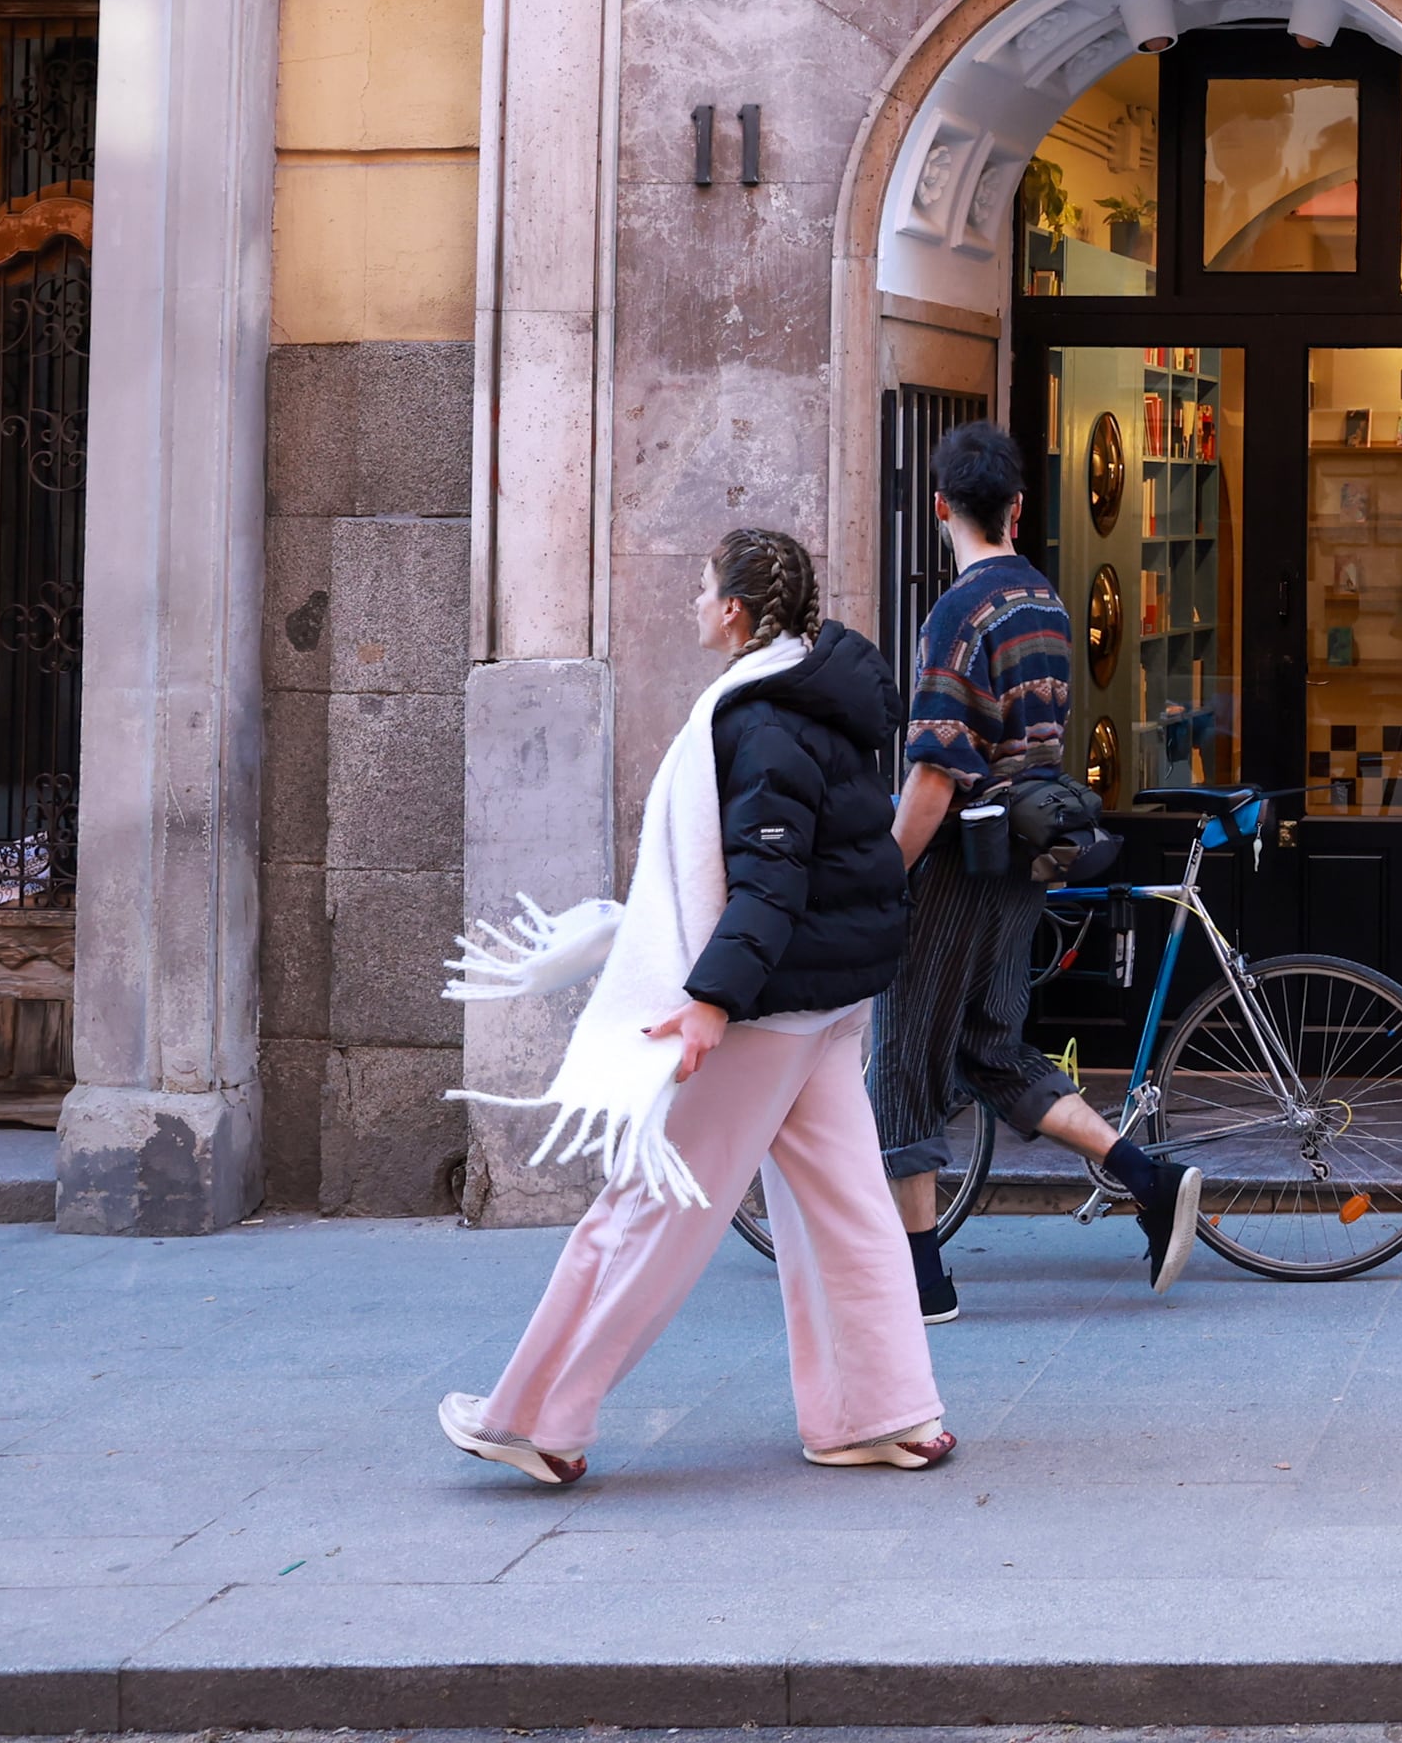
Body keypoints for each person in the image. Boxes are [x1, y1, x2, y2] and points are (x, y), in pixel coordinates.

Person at [438, 526, 952, 1484]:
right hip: (829, 999)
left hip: (765, 1006)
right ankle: (882, 1414)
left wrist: (712, 1000)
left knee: (645, 1206)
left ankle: (538, 1419)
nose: (690, 603)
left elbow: (769, 878)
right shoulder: (818, 696)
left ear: (736, 613)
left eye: (701, 587)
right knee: (845, 1208)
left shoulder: (757, 718)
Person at [869, 420, 1203, 1319]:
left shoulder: (958, 614)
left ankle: (923, 1281)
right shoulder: (1049, 603)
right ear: (1016, 507)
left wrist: (886, 870)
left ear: (940, 507)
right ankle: (1146, 1174)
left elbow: (937, 768)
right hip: (1024, 860)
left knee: (899, 1060)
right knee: (989, 1047)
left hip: (953, 868)